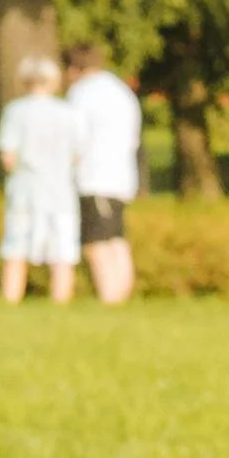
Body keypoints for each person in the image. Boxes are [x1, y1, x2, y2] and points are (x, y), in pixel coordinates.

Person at [0, 56, 82, 306]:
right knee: (62, 250)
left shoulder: (15, 111)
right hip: (59, 189)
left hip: (25, 188)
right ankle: (60, 300)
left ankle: (11, 298)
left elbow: (8, 157)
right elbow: (77, 155)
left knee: (16, 246)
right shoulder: (68, 113)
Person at [62, 45, 143, 309]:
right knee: (116, 238)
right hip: (122, 176)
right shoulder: (120, 90)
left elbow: (75, 137)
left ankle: (110, 298)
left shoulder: (82, 93)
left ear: (74, 68)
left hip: (94, 176)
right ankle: (121, 295)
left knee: (96, 243)